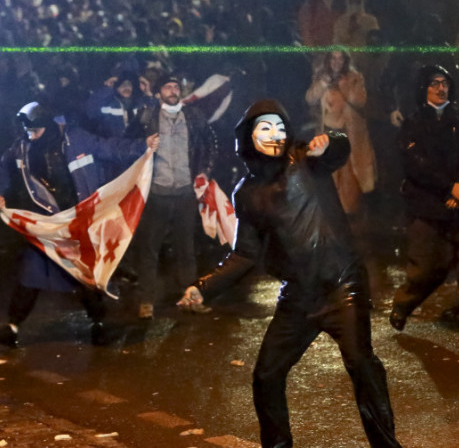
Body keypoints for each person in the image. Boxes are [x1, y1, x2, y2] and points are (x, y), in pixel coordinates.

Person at [178, 100, 402, 448]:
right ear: (248, 137)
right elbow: (245, 255)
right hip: (298, 296)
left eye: (280, 128)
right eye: (265, 128)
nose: (275, 135)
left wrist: (332, 139)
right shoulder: (247, 193)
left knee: (361, 363)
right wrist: (203, 287)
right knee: (267, 374)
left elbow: (338, 150)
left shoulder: (306, 160)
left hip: (341, 285)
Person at [0, 102, 157, 348]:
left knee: (85, 274)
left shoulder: (75, 138)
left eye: (35, 130)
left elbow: (109, 148)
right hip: (49, 224)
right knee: (30, 272)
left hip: (80, 220)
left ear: (47, 125)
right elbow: (2, 169)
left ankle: (100, 326)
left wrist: (143, 145)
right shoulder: (22, 147)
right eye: (28, 131)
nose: (31, 135)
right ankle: (12, 327)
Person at [389, 66, 459, 332]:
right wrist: (448, 188)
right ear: (423, 88)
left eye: (444, 82)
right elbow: (417, 165)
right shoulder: (413, 124)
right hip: (427, 205)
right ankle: (403, 304)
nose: (440, 88)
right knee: (427, 267)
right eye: (434, 83)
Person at [129, 76, 217, 319]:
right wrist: (142, 145)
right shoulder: (147, 117)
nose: (173, 90)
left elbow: (211, 143)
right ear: (159, 93)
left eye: (176, 86)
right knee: (150, 249)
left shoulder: (194, 116)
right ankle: (147, 301)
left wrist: (205, 171)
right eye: (167, 87)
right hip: (156, 193)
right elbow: (126, 145)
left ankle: (190, 297)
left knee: (186, 248)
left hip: (184, 193)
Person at [305, 50, 376, 216]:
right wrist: (323, 84)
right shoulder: (321, 77)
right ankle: (330, 211)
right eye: (333, 58)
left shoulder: (354, 78)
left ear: (345, 60)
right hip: (326, 134)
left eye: (340, 58)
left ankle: (349, 212)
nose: (336, 62)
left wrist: (343, 87)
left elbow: (360, 101)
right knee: (328, 175)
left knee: (348, 177)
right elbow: (310, 99)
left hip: (348, 135)